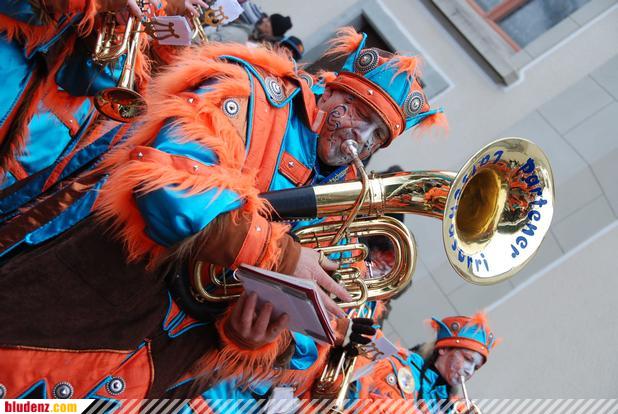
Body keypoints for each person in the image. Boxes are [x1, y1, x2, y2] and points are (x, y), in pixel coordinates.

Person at [0, 26, 445, 403]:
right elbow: (166, 190)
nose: (361, 137)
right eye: (359, 113)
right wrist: (279, 255)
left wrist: (251, 337)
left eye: (377, 135)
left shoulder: (347, 198)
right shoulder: (246, 93)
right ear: (329, 90)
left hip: (151, 370)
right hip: (72, 307)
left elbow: (298, 344)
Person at [353, 312, 497, 413]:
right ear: (444, 349)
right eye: (468, 359)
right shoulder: (395, 359)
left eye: (475, 368)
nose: (469, 370)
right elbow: (355, 347)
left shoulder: (451, 408)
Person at [207, 12, 292, 44]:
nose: (264, 20)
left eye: (269, 20)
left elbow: (210, 41)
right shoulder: (249, 33)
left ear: (271, 30)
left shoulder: (244, 37)